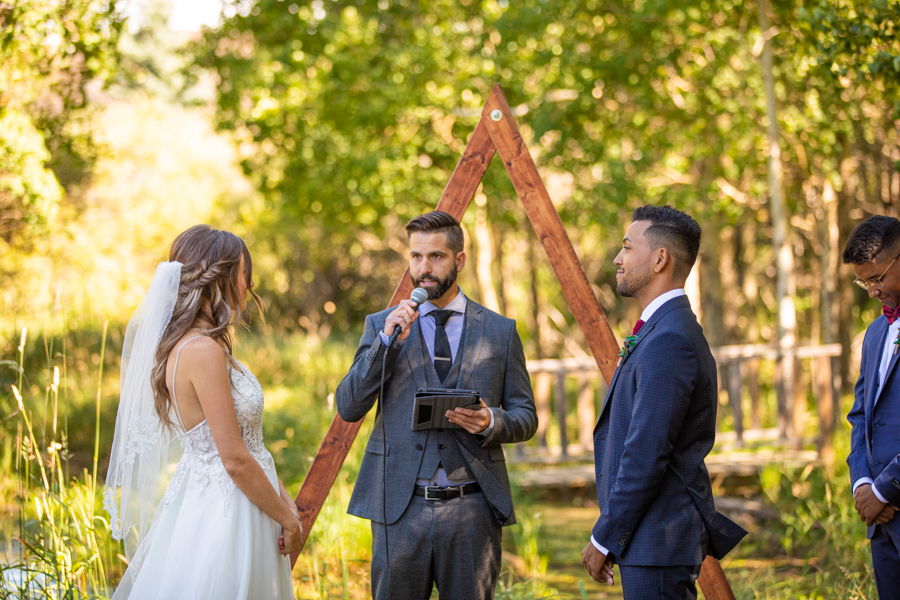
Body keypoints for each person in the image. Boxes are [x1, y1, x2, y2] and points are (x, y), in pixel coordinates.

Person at [336, 211, 537, 600]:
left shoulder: (500, 331)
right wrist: (386, 344)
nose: (423, 268)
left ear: (459, 260)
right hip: (399, 508)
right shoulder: (383, 324)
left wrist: (489, 421)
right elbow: (348, 406)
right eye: (416, 257)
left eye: (436, 257)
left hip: (473, 509)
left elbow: (526, 417)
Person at [104, 225, 300, 600]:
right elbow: (234, 459)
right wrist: (289, 519)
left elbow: (248, 446)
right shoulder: (202, 351)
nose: (250, 285)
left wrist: (283, 499)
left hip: (246, 499)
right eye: (246, 275)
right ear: (220, 277)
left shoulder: (196, 345)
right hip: (229, 513)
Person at [582, 205, 746, 599]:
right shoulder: (663, 329)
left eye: (626, 247)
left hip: (658, 537)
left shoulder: (670, 339)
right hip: (650, 538)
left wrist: (604, 537)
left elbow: (646, 451)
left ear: (660, 259)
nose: (618, 259)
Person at [842, 215, 900, 600]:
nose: (872, 291)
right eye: (865, 282)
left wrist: (885, 490)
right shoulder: (877, 331)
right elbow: (861, 415)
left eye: (878, 278)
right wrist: (863, 484)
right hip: (881, 524)